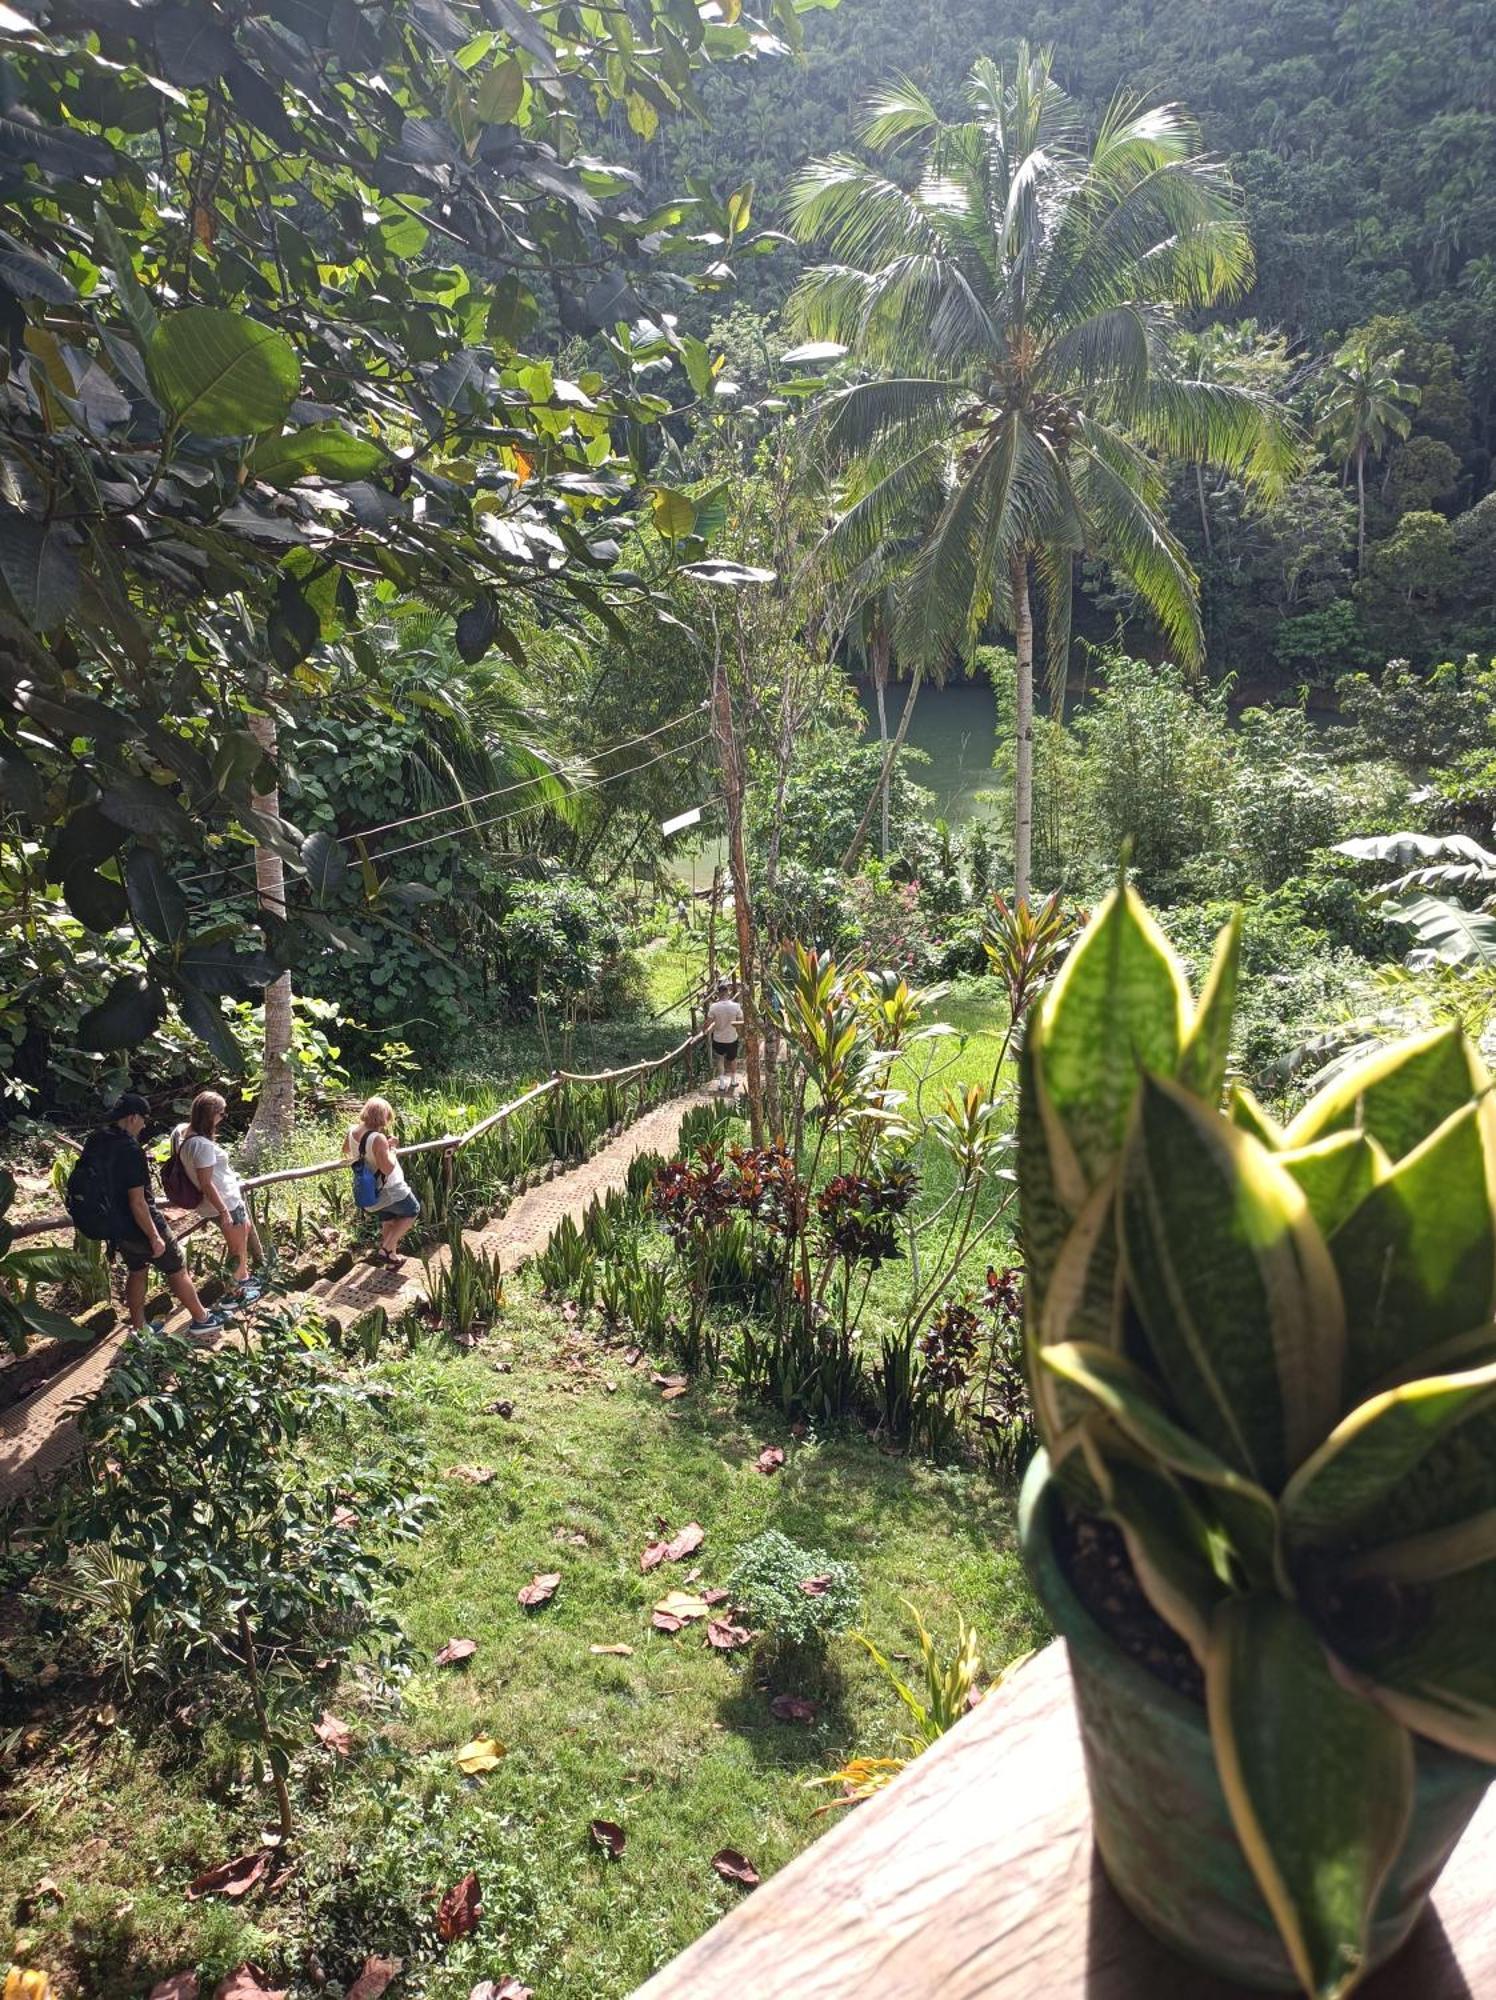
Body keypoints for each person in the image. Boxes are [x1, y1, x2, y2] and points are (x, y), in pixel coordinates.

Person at [71, 1094, 233, 1338]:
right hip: (140, 1225)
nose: (144, 1125)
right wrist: (154, 1236)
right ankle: (202, 1319)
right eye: (143, 1119)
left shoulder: (97, 1139)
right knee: (177, 1268)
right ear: (133, 1117)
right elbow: (137, 1201)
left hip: (115, 1225)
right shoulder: (130, 1149)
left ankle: (139, 1329)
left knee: (137, 1270)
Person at [169, 1090, 263, 1304]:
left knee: (242, 1235)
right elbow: (206, 1182)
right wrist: (223, 1211)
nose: (222, 1118)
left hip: (223, 1201)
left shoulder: (185, 1137)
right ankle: (233, 1294)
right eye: (222, 1114)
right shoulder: (201, 1146)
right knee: (237, 1249)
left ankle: (243, 1279)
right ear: (212, 1115)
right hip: (225, 1202)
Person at [344, 1096, 421, 1266]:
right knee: (413, 1210)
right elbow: (388, 1168)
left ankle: (391, 1259)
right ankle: (386, 1249)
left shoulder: (352, 1131)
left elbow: (347, 1150)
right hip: (389, 1188)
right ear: (383, 1116)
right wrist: (391, 1148)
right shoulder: (378, 1139)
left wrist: (378, 1150)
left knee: (389, 1220)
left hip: (371, 1189)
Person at [706, 979, 745, 1095]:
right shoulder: (736, 1006)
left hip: (718, 1038)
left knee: (720, 1059)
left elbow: (708, 1022)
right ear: (728, 993)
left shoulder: (713, 1007)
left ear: (718, 994)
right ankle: (733, 1081)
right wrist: (740, 1033)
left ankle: (722, 1083)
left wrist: (704, 1030)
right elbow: (740, 1022)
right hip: (732, 1037)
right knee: (733, 1060)